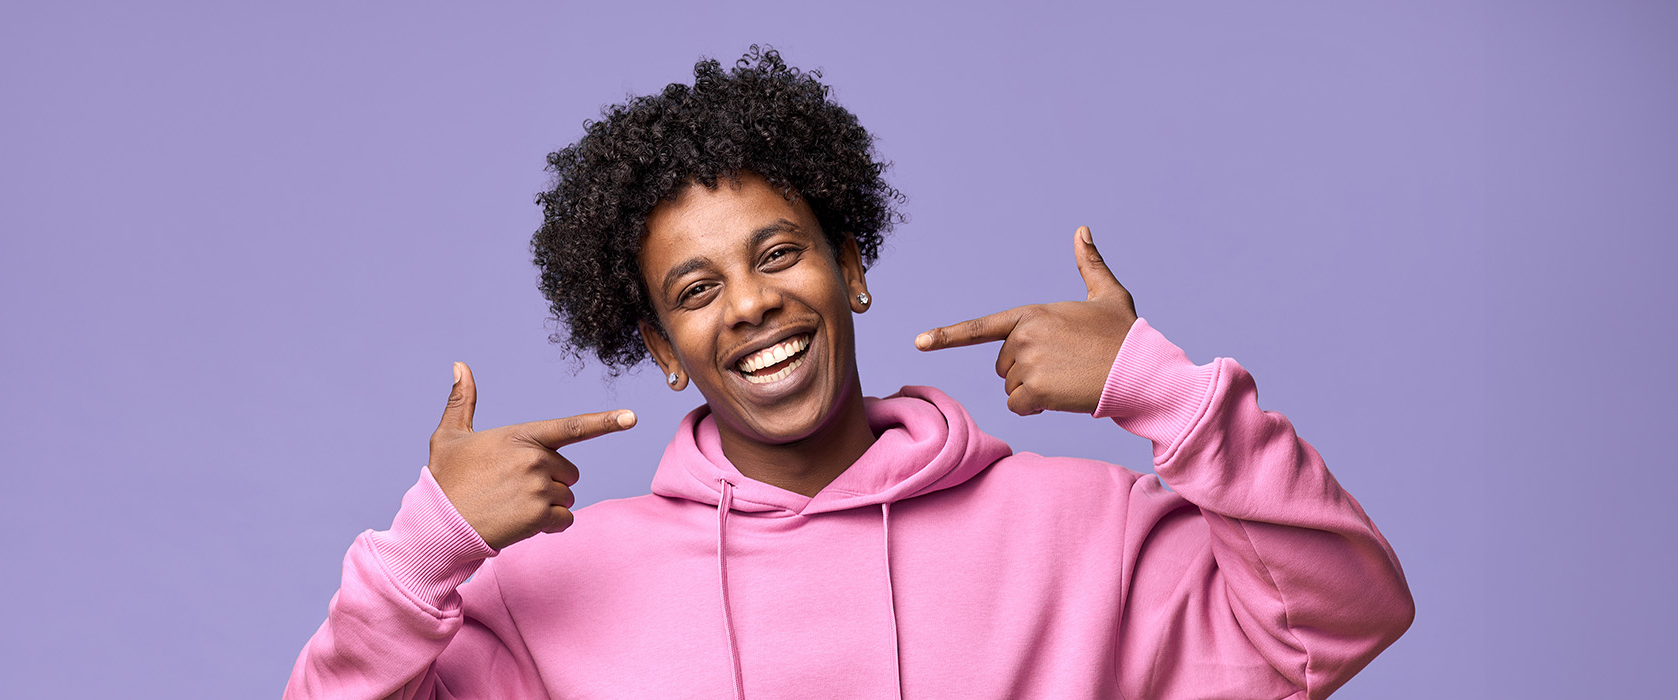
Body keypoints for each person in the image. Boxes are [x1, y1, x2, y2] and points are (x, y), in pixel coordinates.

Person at [284, 46, 1413, 700]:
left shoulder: (1084, 531)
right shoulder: (545, 598)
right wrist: (427, 546)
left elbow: (1341, 615)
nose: (752, 303)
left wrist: (1161, 389)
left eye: (779, 253)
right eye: (694, 290)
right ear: (662, 354)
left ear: (850, 269)